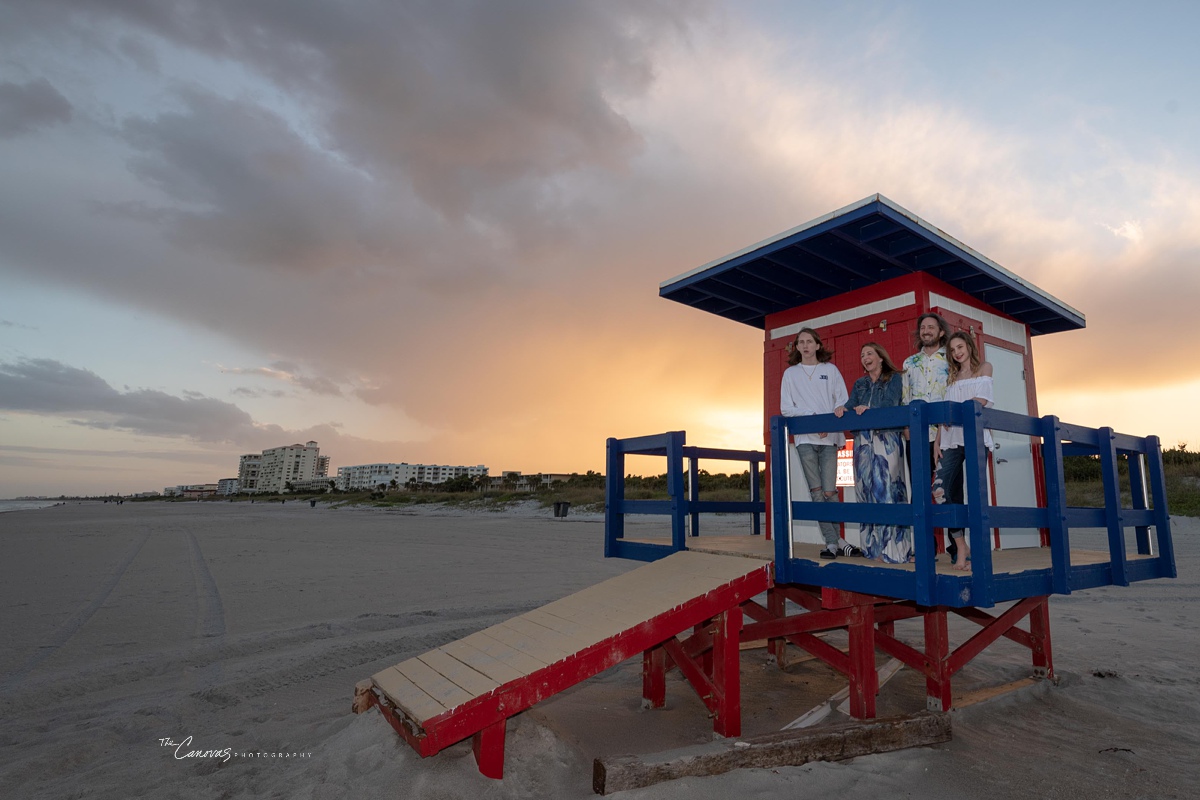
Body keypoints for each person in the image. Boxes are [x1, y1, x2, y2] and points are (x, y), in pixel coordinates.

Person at [780, 328, 862, 559]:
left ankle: (836, 542)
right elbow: (787, 407)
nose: (805, 346)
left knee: (829, 491)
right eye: (801, 342)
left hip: (830, 438)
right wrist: (815, 418)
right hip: (805, 439)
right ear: (797, 347)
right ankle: (834, 543)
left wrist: (831, 416)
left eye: (809, 342)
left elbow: (842, 400)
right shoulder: (790, 374)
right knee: (816, 492)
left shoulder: (830, 370)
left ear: (817, 345)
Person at [835, 342, 910, 563]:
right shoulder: (860, 383)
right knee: (865, 491)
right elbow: (850, 404)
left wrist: (869, 411)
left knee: (887, 490)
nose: (865, 357)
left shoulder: (894, 378)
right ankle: (872, 549)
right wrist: (843, 409)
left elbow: (891, 403)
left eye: (869, 353)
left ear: (880, 357)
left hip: (886, 439)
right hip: (863, 441)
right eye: (862, 354)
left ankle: (894, 551)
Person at [933, 332, 995, 571]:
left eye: (960, 346)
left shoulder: (984, 368)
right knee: (940, 490)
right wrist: (938, 441)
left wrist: (953, 414)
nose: (957, 352)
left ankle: (978, 555)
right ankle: (961, 545)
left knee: (977, 496)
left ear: (969, 346)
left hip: (975, 436)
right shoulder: (951, 377)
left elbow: (980, 400)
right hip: (950, 440)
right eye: (952, 350)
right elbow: (944, 413)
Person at [902, 312, 952, 560]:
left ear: (941, 331)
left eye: (931, 327)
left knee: (947, 490)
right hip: (917, 436)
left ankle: (957, 546)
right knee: (919, 490)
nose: (926, 331)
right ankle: (925, 548)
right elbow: (904, 397)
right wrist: (906, 429)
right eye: (923, 327)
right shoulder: (909, 363)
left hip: (946, 434)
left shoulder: (951, 359)